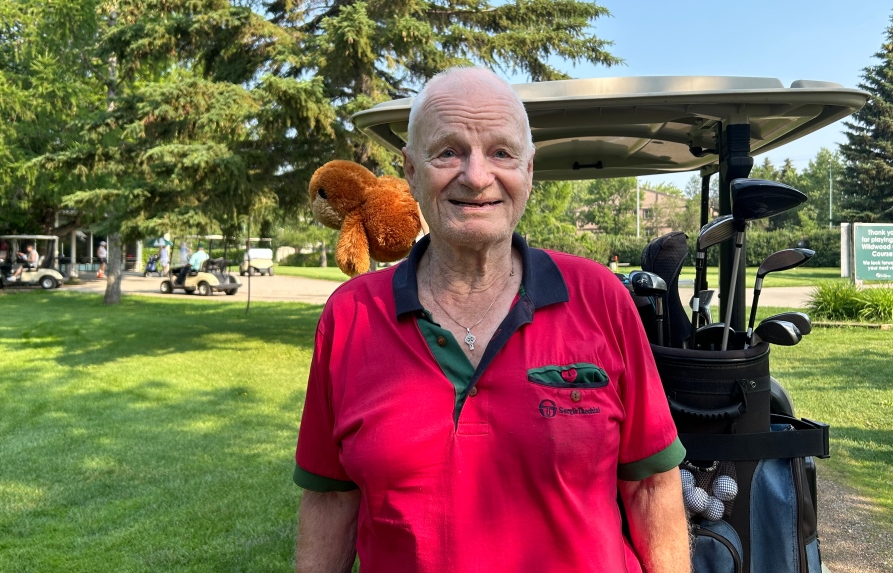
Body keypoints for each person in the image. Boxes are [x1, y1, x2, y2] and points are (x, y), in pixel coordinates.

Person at [292, 67, 690, 573]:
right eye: (448, 152)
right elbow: (331, 497)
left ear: (529, 168)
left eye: (501, 152)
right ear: (411, 170)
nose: (477, 177)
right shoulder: (351, 316)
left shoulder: (600, 299)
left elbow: (652, 485)